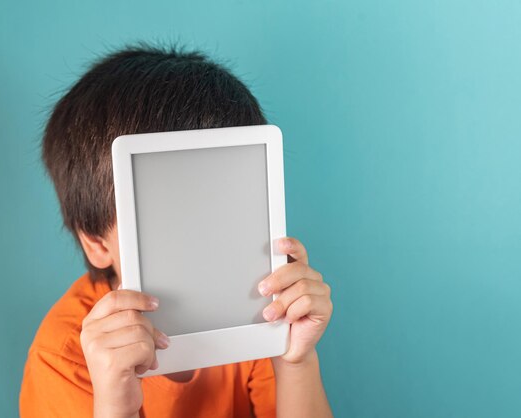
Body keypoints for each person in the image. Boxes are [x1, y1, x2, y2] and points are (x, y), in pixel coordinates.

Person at [19, 42, 334, 418]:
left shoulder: (257, 308)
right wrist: (115, 406)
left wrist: (297, 361)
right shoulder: (62, 356)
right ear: (96, 241)